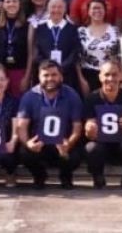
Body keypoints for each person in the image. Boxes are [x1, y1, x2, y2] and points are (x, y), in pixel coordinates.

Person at [16, 60, 84, 188]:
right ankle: (40, 176)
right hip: (40, 145)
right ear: (39, 77)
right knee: (24, 153)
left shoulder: (72, 95)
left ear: (61, 76)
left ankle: (65, 176)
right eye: (45, 75)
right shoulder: (29, 96)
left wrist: (69, 144)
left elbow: (77, 126)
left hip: (63, 144)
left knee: (75, 155)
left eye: (54, 75)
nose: (50, 79)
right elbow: (22, 126)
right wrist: (28, 143)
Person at [83, 58, 122, 188]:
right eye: (107, 74)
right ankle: (97, 176)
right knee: (91, 147)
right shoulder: (92, 98)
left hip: (121, 143)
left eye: (114, 74)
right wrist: (90, 129)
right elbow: (90, 135)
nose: (110, 78)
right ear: (100, 77)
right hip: (101, 143)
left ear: (120, 76)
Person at [28, 0, 82, 90]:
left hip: (67, 75)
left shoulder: (72, 29)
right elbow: (36, 51)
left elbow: (75, 52)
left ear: (65, 9)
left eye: (60, 7)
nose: (56, 10)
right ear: (48, 9)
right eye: (53, 7)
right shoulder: (40, 28)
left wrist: (61, 68)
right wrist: (48, 68)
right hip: (45, 75)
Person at [78, 0, 120, 94]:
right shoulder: (81, 32)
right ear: (88, 11)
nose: (97, 11)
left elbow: (120, 56)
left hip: (110, 75)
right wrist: (81, 79)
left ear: (105, 11)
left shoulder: (114, 31)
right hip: (88, 75)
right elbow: (77, 59)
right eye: (94, 8)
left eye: (100, 8)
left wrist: (120, 78)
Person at [0, 0, 30, 96]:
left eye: (14, 1)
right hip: (1, 72)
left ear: (19, 3)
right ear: (3, 4)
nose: (11, 4)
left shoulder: (28, 25)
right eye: (8, 2)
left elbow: (31, 53)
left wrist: (27, 76)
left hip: (20, 71)